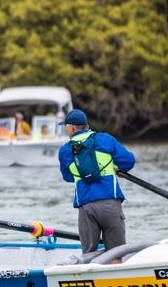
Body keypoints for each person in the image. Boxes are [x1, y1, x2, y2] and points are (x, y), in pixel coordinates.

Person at [58, 108, 136, 258]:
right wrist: (117, 168)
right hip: (110, 204)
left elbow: (67, 177)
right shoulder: (105, 139)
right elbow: (129, 161)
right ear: (86, 126)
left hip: (86, 207)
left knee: (89, 256)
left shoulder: (65, 151)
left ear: (71, 128)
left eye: (65, 127)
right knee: (116, 254)